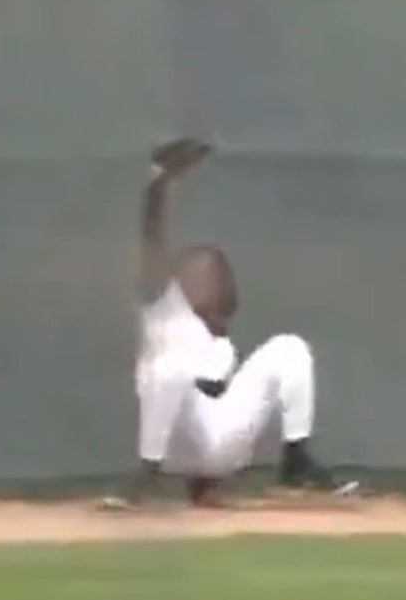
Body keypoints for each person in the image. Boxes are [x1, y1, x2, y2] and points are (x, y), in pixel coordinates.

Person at [123, 136, 355, 508]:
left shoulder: (220, 341)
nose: (211, 276)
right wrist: (159, 180)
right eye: (200, 270)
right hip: (170, 448)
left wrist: (204, 482)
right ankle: (145, 477)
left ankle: (296, 461)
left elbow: (212, 408)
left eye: (217, 272)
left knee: (289, 348)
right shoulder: (164, 309)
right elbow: (152, 240)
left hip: (220, 449)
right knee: (170, 369)